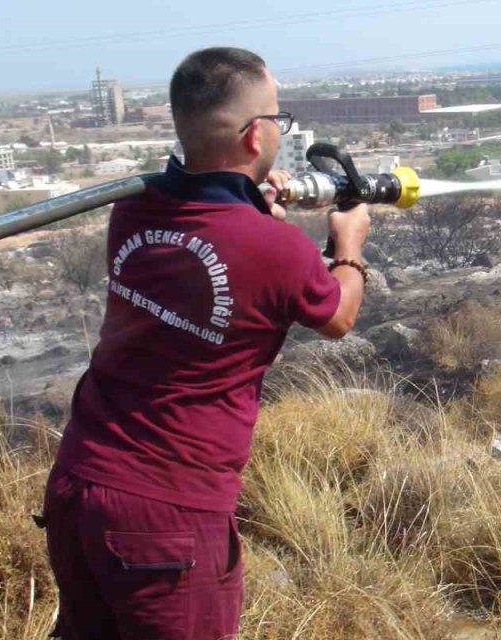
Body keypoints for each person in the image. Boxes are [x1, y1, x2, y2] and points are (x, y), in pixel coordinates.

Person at [37, 47, 370, 640]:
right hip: (164, 514)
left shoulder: (134, 208)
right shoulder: (276, 249)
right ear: (254, 136)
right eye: (276, 118)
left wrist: (256, 212)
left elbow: (216, 250)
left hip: (79, 486)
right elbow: (338, 317)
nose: (278, 129)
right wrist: (349, 244)